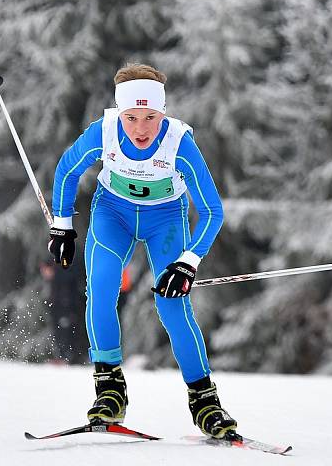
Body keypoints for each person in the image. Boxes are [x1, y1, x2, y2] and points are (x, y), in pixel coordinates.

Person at [47, 63, 237, 439]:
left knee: (172, 304)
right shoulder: (103, 132)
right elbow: (68, 171)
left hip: (165, 220)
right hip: (112, 214)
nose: (140, 128)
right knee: (100, 290)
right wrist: (63, 225)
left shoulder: (180, 144)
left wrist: (188, 262)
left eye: (150, 117)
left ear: (162, 114)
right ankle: (110, 392)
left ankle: (205, 402)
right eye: (131, 117)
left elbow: (213, 211)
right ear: (120, 113)